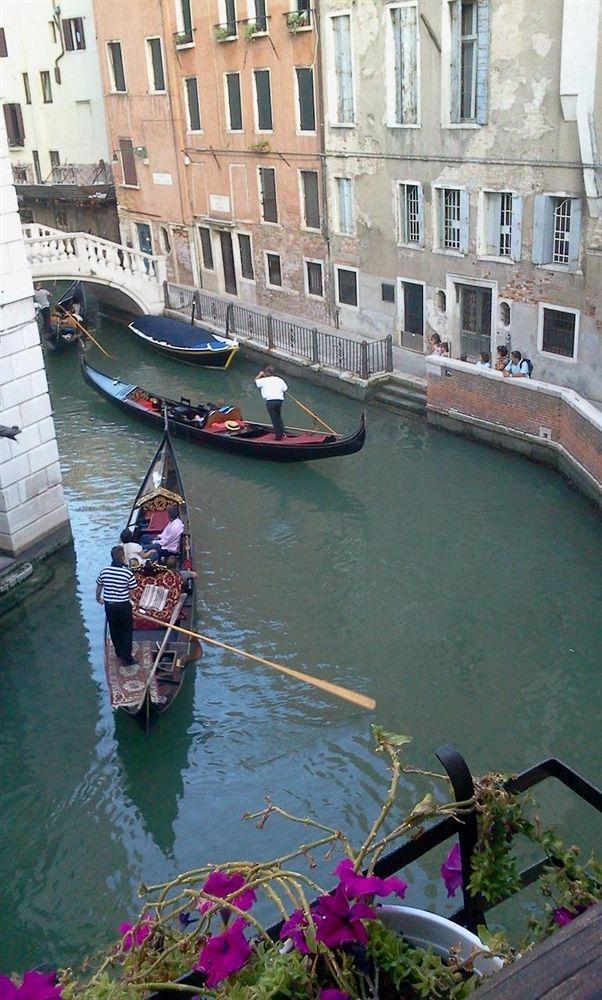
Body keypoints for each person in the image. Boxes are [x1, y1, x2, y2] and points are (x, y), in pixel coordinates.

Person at [96, 546, 137, 665]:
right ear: (122, 557)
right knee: (126, 630)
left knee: (114, 629)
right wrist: (130, 601)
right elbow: (131, 592)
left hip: (109, 606)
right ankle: (127, 658)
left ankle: (119, 652)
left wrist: (98, 598)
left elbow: (99, 587)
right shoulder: (127, 572)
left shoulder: (104, 571)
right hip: (123, 606)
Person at [255, 365, 288, 440]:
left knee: (274, 418)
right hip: (279, 400)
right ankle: (282, 431)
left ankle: (278, 437)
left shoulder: (263, 380)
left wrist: (260, 375)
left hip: (270, 401)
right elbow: (285, 389)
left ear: (266, 373)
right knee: (278, 416)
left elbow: (256, 382)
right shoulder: (279, 379)